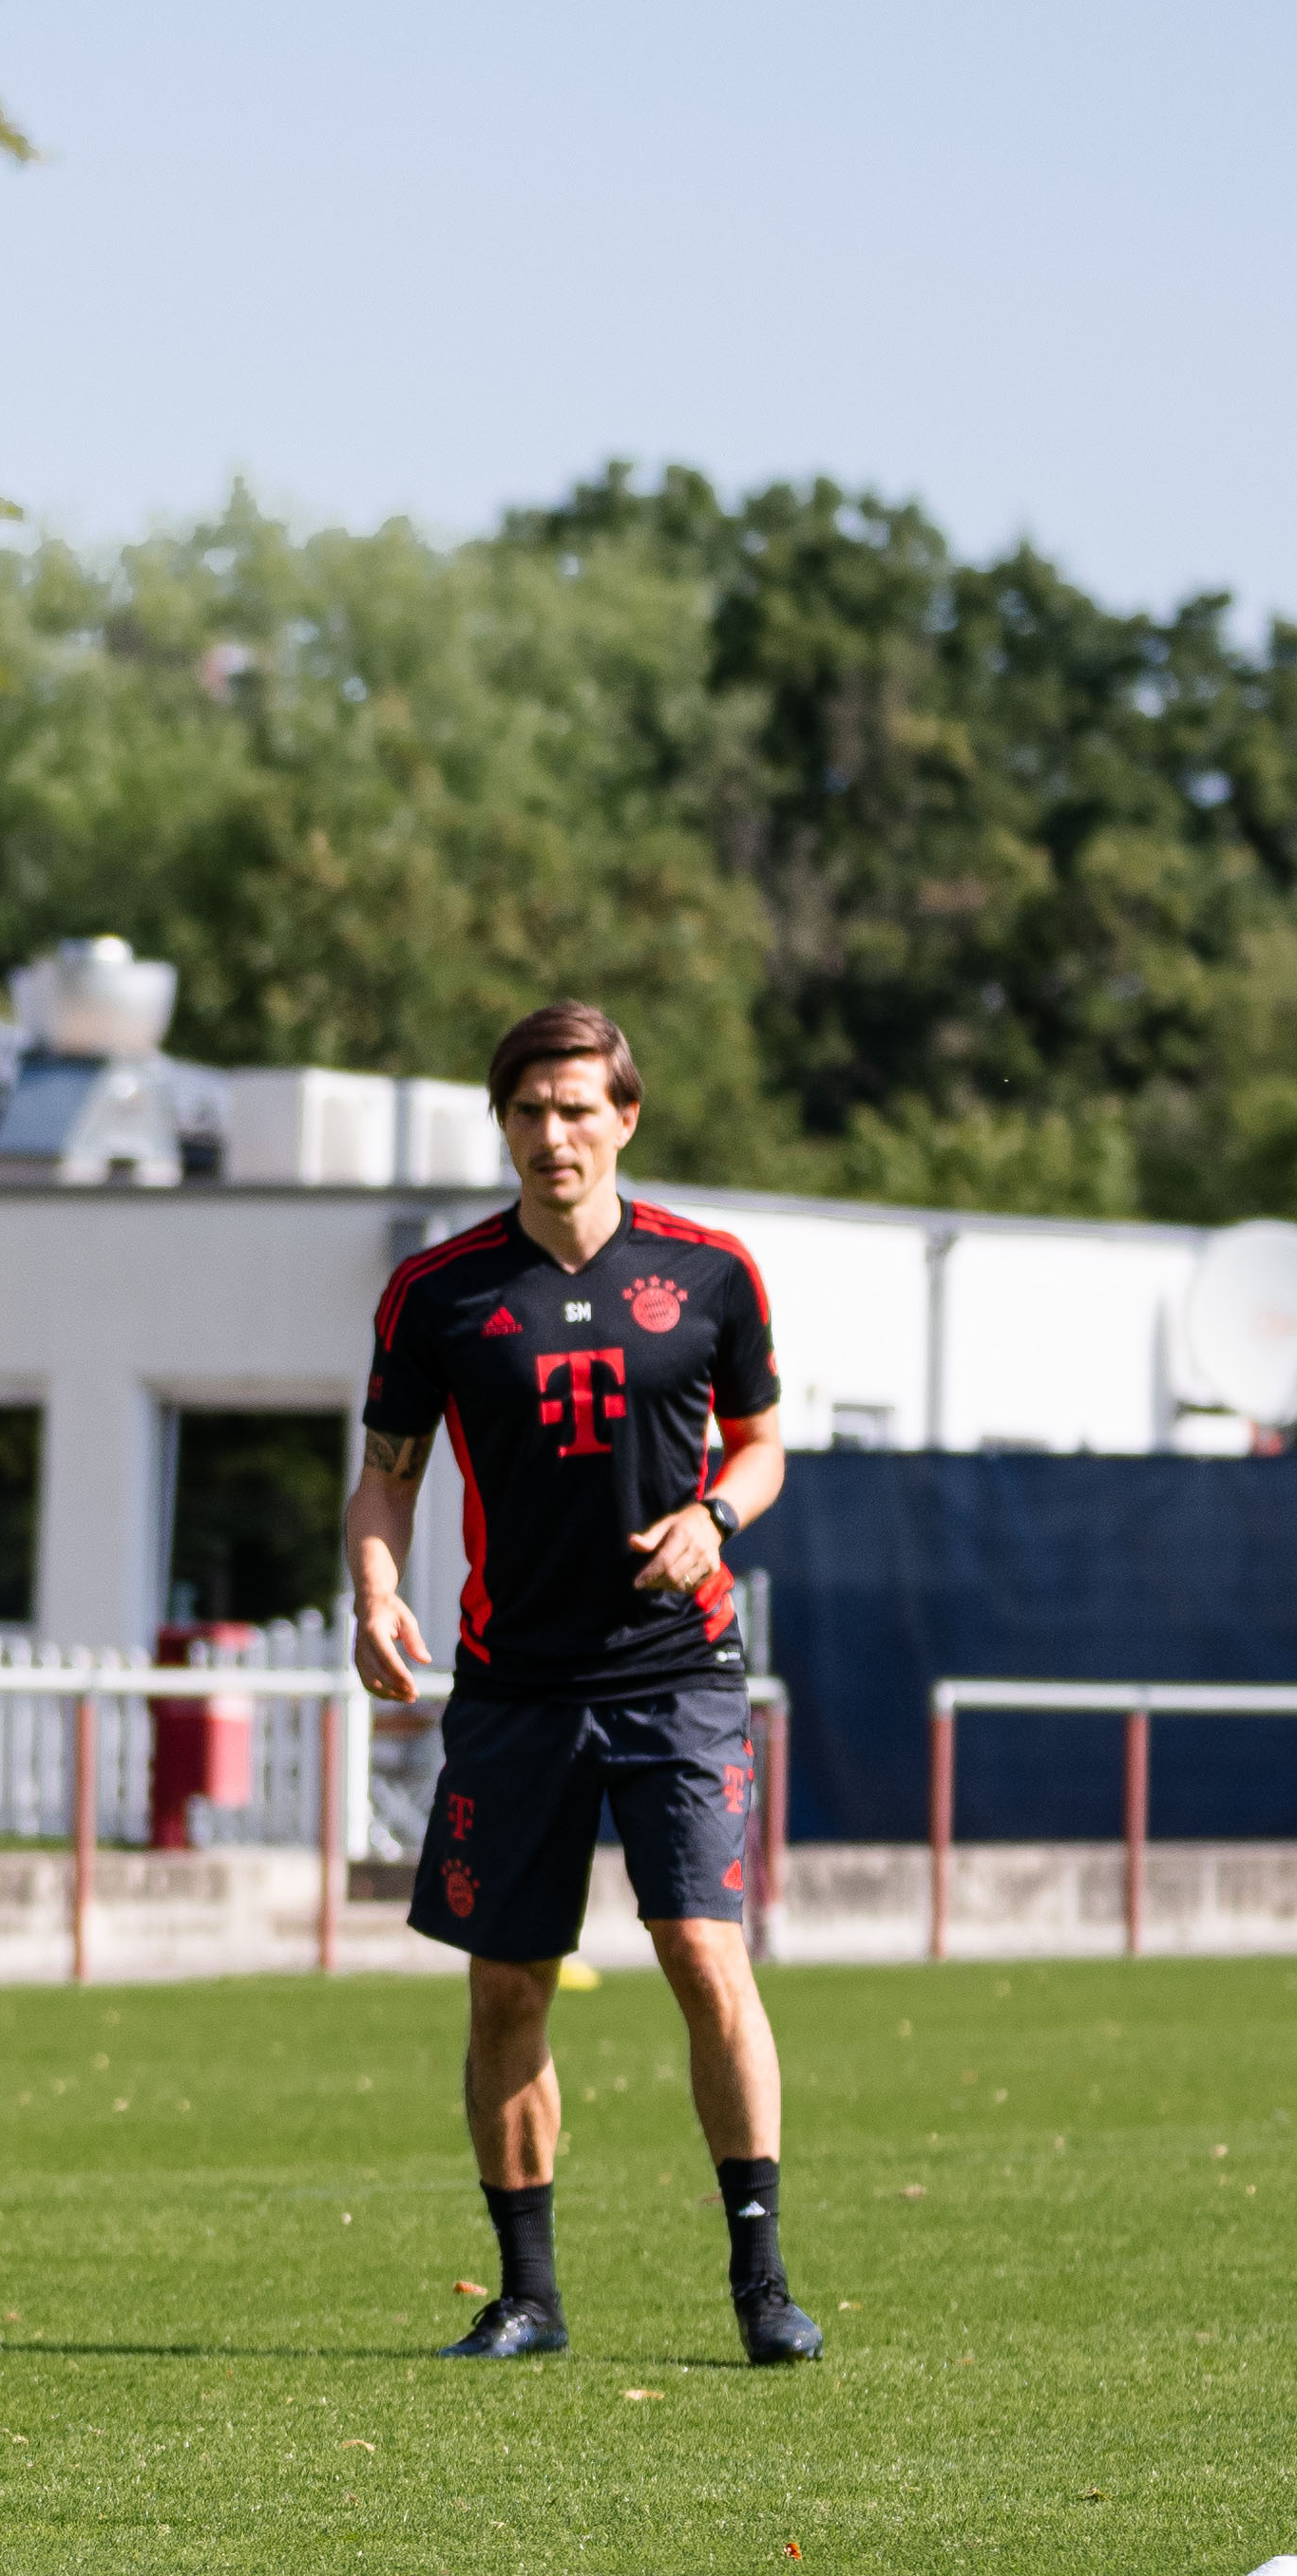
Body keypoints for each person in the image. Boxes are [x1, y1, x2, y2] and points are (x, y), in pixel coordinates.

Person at [346, 1001, 820, 2368]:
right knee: (508, 1986)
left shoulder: (712, 1271)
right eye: (525, 1111)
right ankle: (527, 2297)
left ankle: (760, 2283)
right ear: (501, 1125)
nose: (551, 1135)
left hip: (679, 1672)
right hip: (512, 1682)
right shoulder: (436, 1293)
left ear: (622, 1118)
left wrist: (712, 1521)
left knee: (702, 1955)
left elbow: (761, 1446)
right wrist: (375, 1592)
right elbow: (383, 1483)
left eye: (574, 1109)